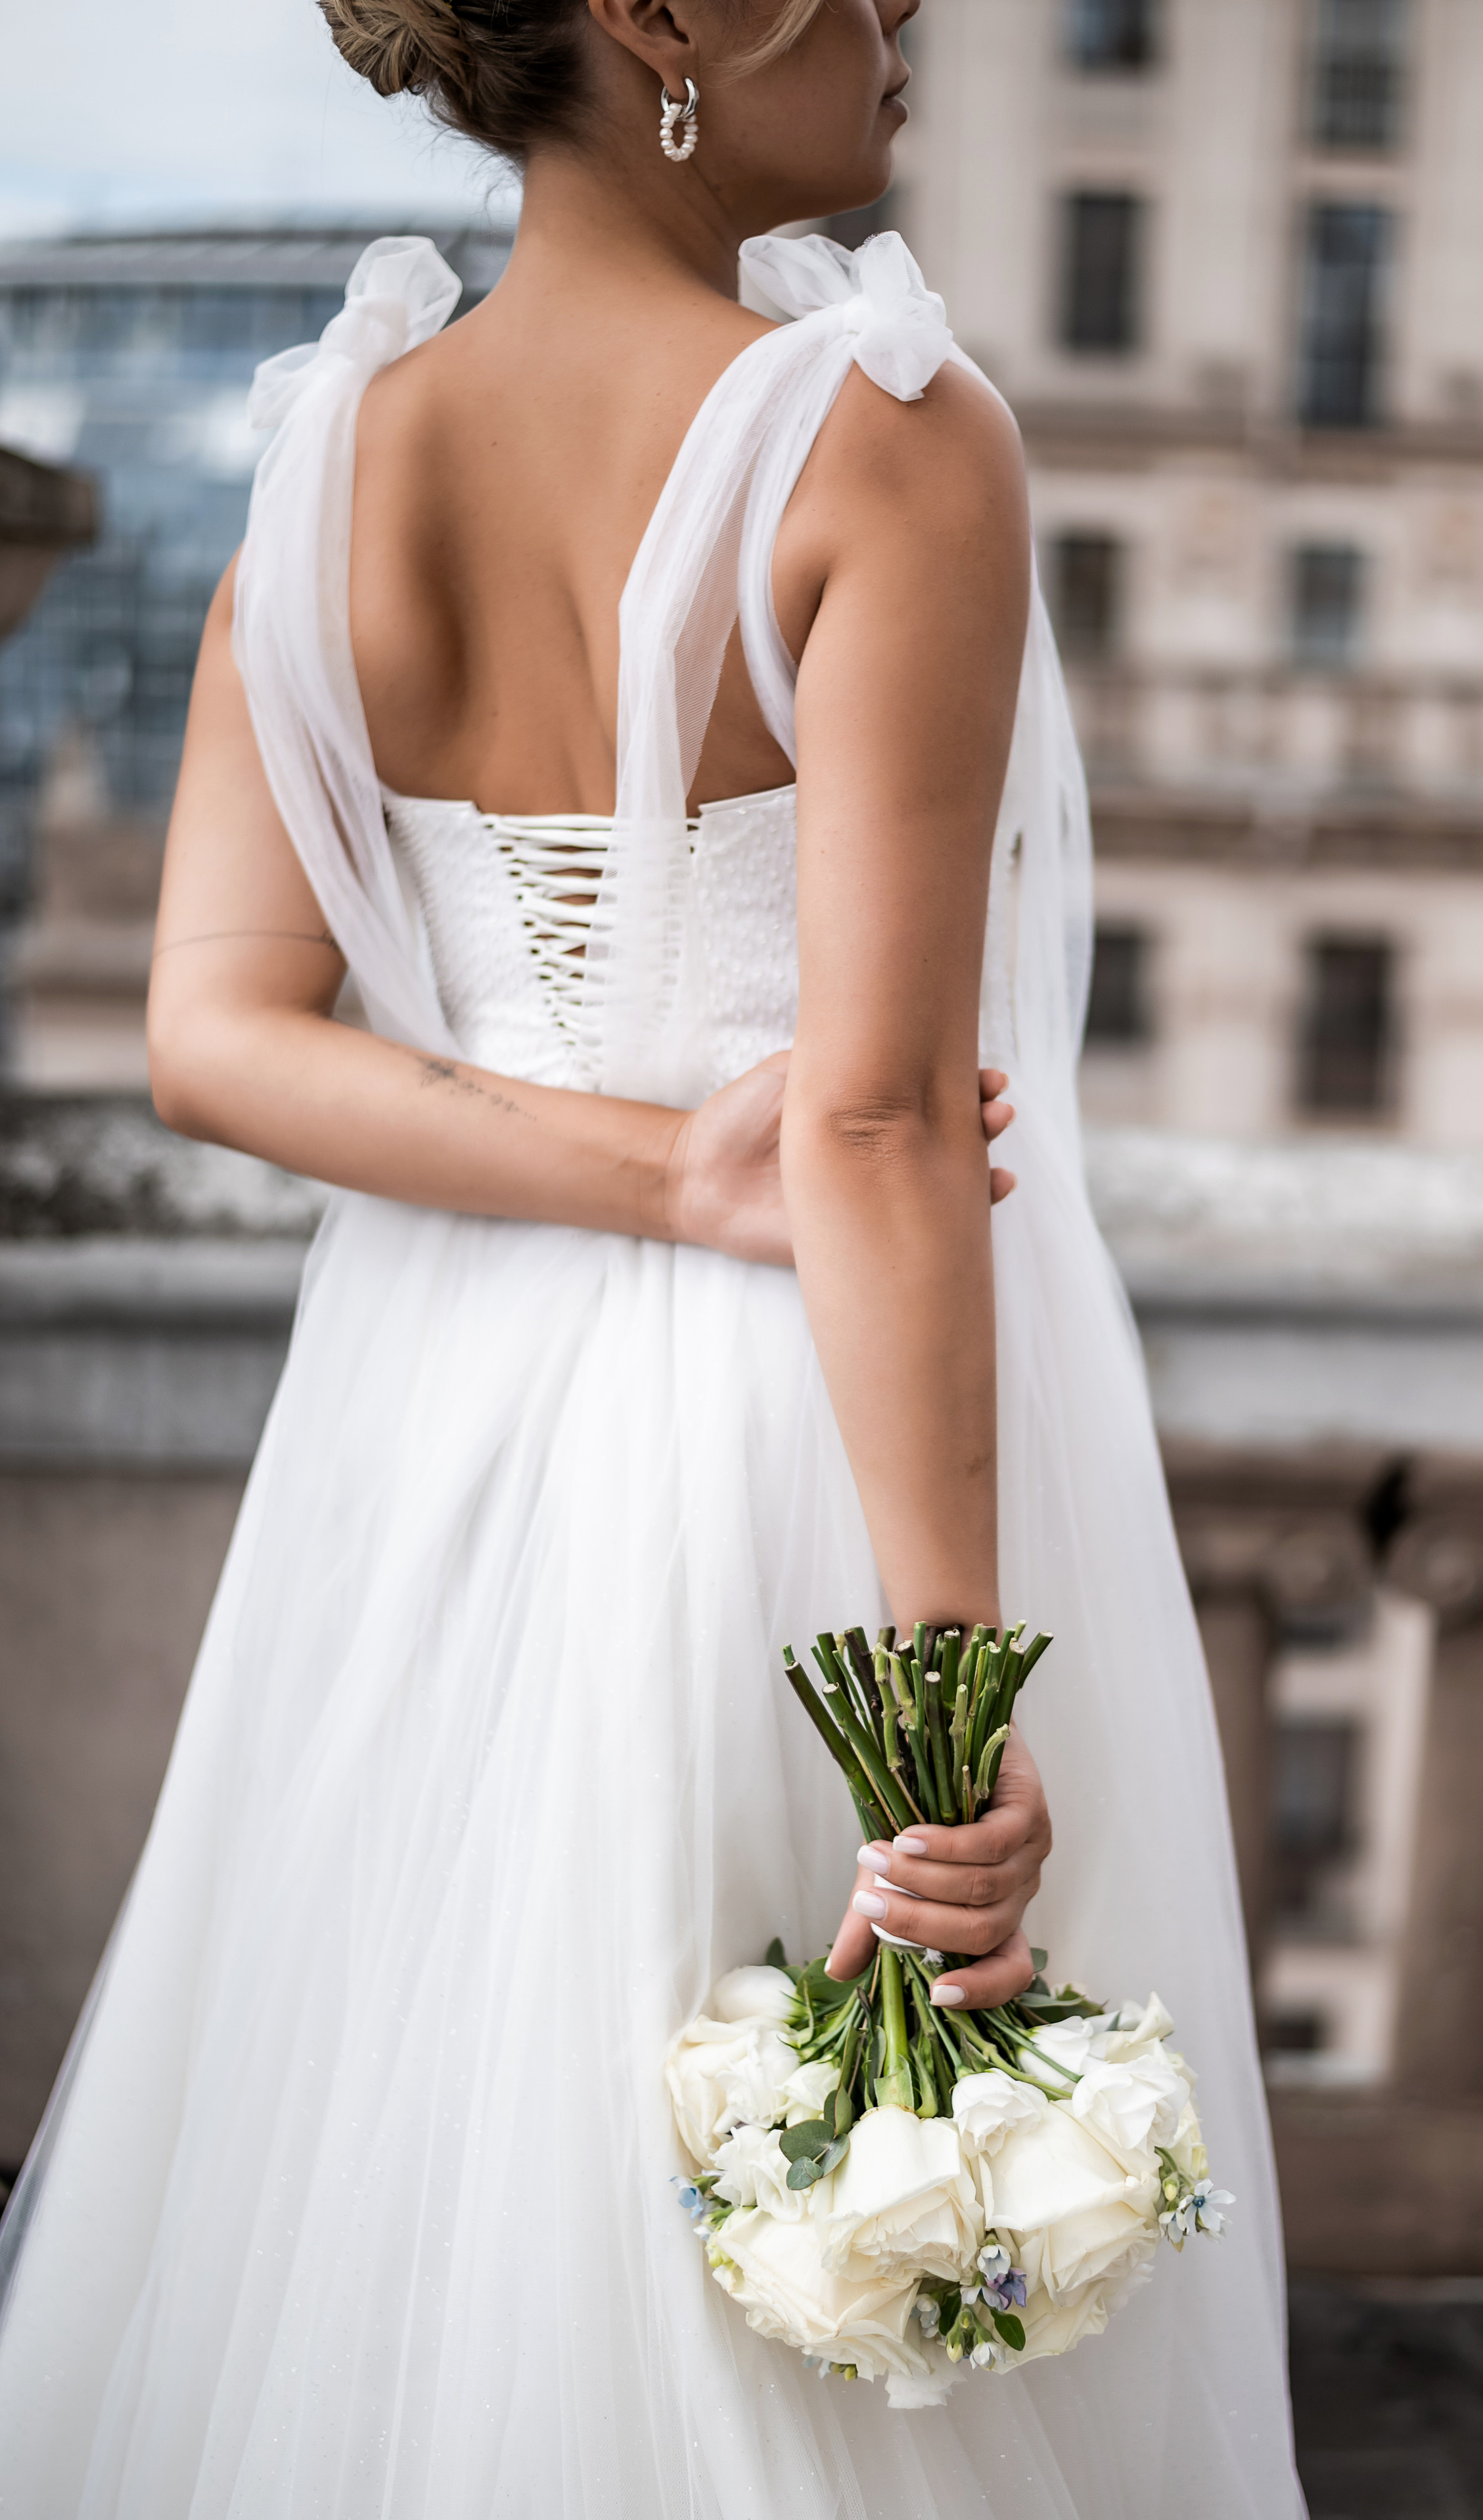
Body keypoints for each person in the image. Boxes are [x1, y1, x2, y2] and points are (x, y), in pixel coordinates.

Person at [0, 2, 1305, 2510]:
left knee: (432, 2154)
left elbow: (211, 1024)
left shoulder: (334, 460)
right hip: (812, 1421)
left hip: (430, 1414)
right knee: (860, 2175)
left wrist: (629, 1166)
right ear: (666, 20)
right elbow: (885, 1118)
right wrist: (945, 1697)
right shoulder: (888, 431)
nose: (912, 20)